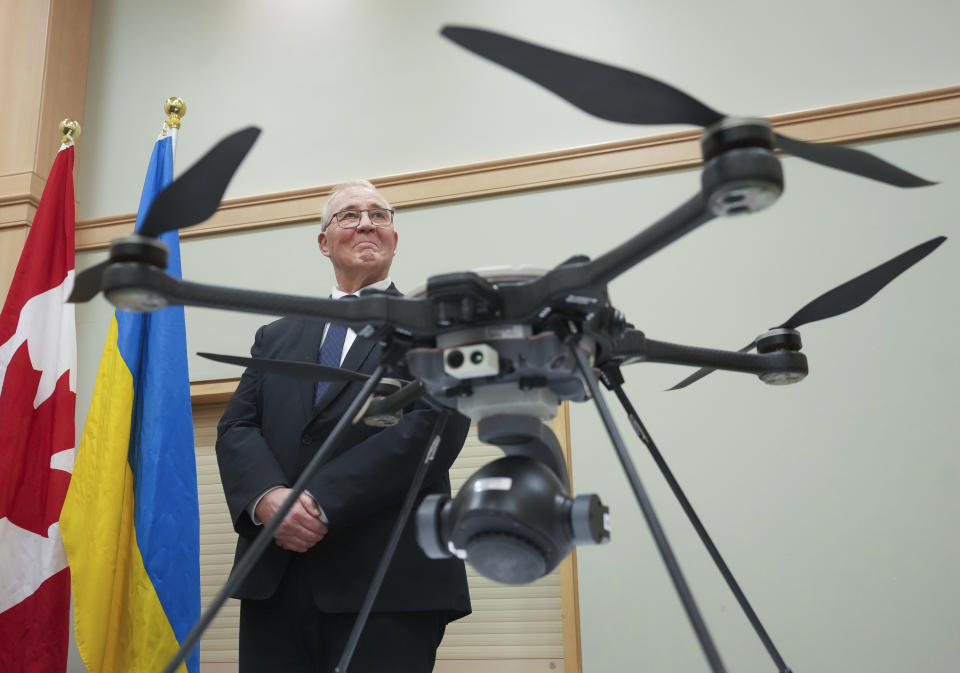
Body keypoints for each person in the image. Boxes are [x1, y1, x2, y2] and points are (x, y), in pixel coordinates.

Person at [216, 180, 471, 673]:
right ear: (323, 241)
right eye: (349, 215)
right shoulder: (276, 336)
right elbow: (236, 427)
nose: (367, 223)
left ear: (394, 238)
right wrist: (268, 497)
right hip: (277, 580)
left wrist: (319, 502)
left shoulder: (437, 329)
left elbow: (435, 426)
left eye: (380, 214)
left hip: (389, 583)